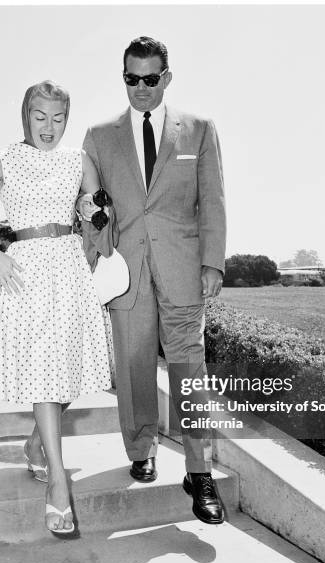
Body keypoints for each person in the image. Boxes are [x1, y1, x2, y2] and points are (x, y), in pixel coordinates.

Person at [0, 81, 111, 534]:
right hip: (24, 271)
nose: (49, 127)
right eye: (40, 116)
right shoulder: (5, 158)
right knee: (43, 369)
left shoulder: (79, 159)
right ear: (25, 115)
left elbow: (93, 205)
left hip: (70, 268)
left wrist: (97, 211)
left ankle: (38, 442)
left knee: (70, 371)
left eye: (58, 118)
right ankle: (58, 481)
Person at [80, 36, 226, 524]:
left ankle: (199, 471)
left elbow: (214, 202)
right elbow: (90, 206)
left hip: (184, 269)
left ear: (166, 76)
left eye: (149, 78)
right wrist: (93, 228)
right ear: (122, 76)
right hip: (128, 274)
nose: (139, 88)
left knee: (191, 372)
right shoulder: (99, 137)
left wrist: (213, 262)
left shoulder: (200, 130)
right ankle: (140, 450)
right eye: (130, 78)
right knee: (134, 367)